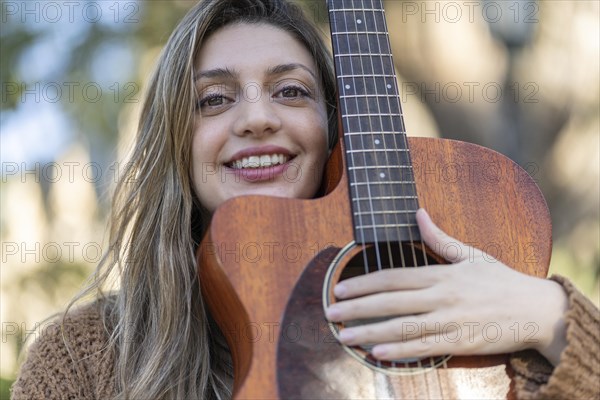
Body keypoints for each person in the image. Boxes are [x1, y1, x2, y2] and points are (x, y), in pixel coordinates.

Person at [12, 0, 599, 399]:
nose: (257, 118)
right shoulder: (86, 358)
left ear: (337, 130)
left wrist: (547, 317)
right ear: (175, 140)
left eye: (290, 91)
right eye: (214, 100)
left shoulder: (494, 291)